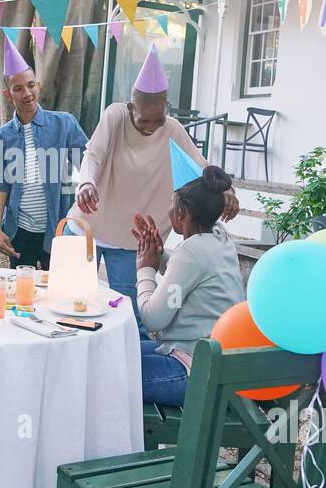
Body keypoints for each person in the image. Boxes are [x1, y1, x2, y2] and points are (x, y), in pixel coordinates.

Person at [75, 43, 239, 324]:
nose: (151, 125)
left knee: (129, 318)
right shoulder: (115, 116)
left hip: (132, 237)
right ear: (130, 108)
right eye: (143, 119)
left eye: (158, 119)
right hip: (91, 226)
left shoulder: (172, 129)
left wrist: (228, 189)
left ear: (167, 107)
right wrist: (85, 183)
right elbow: (94, 154)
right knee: (75, 306)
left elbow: (201, 166)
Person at [134, 165, 244, 406]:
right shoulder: (219, 238)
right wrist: (159, 254)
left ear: (182, 211)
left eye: (172, 202)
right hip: (211, 363)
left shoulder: (191, 251)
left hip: (193, 372)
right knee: (119, 350)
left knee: (107, 373)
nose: (169, 208)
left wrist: (145, 268)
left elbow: (153, 319)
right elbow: (189, 276)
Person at [0, 36, 88, 270]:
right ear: (8, 94)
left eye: (30, 85)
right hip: (20, 232)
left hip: (58, 228)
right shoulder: (2, 136)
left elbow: (90, 164)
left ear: (38, 85)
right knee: (23, 295)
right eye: (18, 88)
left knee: (56, 292)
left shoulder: (65, 124)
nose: (27, 93)